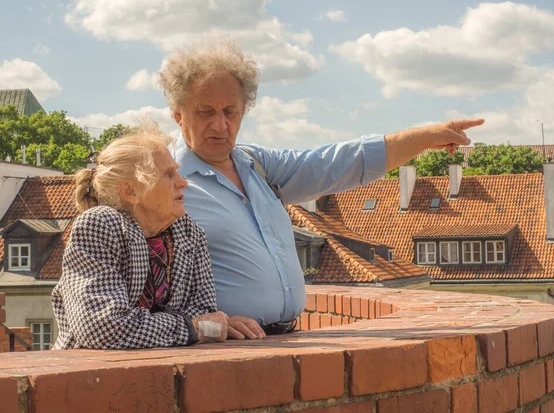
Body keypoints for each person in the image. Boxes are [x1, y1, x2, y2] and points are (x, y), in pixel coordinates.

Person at [160, 39, 484, 339]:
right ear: (178, 114)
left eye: (230, 111)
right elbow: (136, 288)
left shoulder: (255, 164)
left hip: (286, 341)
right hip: (224, 353)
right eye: (205, 112)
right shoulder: (163, 183)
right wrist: (206, 326)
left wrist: (424, 137)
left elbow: (335, 164)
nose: (220, 124)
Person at [52, 125, 229, 349]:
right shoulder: (99, 225)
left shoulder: (188, 232)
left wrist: (194, 326)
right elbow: (103, 330)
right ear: (130, 191)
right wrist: (189, 328)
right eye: (168, 174)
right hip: (90, 376)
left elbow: (206, 315)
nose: (183, 182)